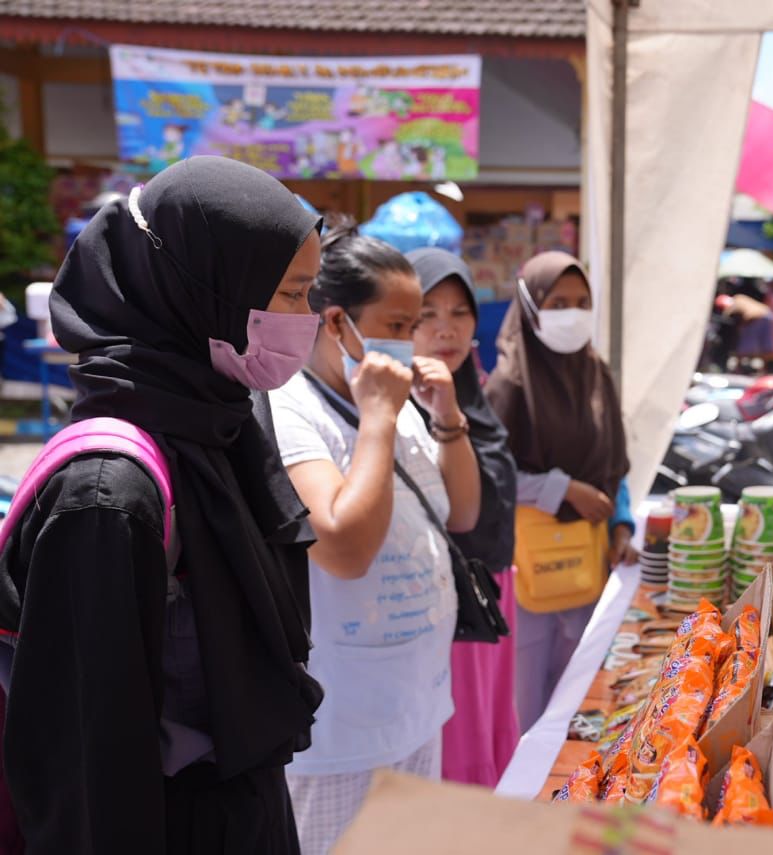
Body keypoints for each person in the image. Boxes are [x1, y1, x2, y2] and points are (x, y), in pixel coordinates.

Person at [0, 156, 323, 854]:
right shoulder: (107, 494)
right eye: (292, 294)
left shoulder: (220, 423)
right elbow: (88, 770)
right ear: (202, 289)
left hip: (244, 809)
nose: (308, 320)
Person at [269, 222, 480, 853]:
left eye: (412, 324)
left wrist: (447, 418)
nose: (410, 341)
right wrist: (380, 415)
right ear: (336, 323)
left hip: (416, 701)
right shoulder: (289, 409)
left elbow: (463, 513)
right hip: (342, 728)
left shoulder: (397, 402)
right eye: (397, 323)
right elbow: (345, 549)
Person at [485, 251, 637, 732]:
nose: (572, 313)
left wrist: (621, 525)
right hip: (527, 569)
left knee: (579, 700)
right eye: (558, 303)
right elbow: (490, 475)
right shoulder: (508, 384)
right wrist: (564, 489)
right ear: (531, 306)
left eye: (581, 302)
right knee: (526, 704)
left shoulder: (597, 374)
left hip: (588, 559)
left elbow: (613, 465)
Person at [407, 247, 520, 787]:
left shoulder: (474, 393)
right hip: (445, 609)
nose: (446, 329)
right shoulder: (399, 408)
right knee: (458, 746)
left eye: (459, 312)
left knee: (490, 729)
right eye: (426, 314)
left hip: (493, 593)